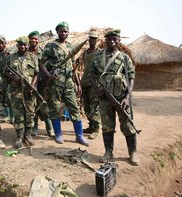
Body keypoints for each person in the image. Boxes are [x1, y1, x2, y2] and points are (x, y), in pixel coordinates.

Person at [88, 29, 140, 166]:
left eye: (114, 39)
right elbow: (91, 75)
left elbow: (131, 77)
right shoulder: (98, 57)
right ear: (105, 40)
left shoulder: (124, 57)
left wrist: (128, 97)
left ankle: (133, 153)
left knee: (128, 125)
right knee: (107, 127)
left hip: (121, 98)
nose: (111, 41)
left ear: (119, 41)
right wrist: (97, 89)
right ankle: (108, 152)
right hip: (105, 99)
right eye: (109, 39)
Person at [39, 22, 89, 146]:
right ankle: (58, 134)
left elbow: (73, 68)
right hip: (55, 83)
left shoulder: (70, 47)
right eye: (62, 31)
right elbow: (41, 64)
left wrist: (77, 84)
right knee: (55, 109)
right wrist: (49, 75)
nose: (64, 33)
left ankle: (79, 136)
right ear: (57, 32)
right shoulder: (50, 46)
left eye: (66, 31)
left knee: (74, 109)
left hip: (68, 83)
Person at [4, 36, 38, 149]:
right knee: (18, 115)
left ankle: (28, 135)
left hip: (30, 91)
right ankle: (19, 136)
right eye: (20, 44)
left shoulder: (33, 57)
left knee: (30, 113)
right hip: (16, 91)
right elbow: (5, 72)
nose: (22, 46)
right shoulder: (11, 58)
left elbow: (37, 73)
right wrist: (15, 79)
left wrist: (33, 85)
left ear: (27, 45)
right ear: (17, 45)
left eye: (24, 44)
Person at [28, 30, 55, 137]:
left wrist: (48, 77)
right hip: (30, 83)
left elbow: (48, 67)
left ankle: (49, 128)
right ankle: (35, 127)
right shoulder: (26, 53)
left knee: (43, 104)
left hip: (42, 83)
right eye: (31, 39)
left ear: (38, 40)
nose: (33, 40)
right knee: (33, 105)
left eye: (35, 38)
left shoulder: (43, 52)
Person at [79, 31, 101, 139]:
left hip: (95, 84)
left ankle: (96, 128)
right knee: (86, 107)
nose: (93, 40)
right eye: (91, 38)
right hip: (85, 82)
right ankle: (91, 126)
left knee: (94, 107)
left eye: (95, 38)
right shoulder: (85, 53)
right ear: (88, 39)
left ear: (97, 40)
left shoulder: (100, 53)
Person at [0, 35, 14, 124]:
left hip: (9, 79)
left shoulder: (9, 54)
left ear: (5, 44)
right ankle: (7, 116)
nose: (1, 45)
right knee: (2, 98)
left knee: (9, 98)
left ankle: (12, 117)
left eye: (2, 43)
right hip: (0, 79)